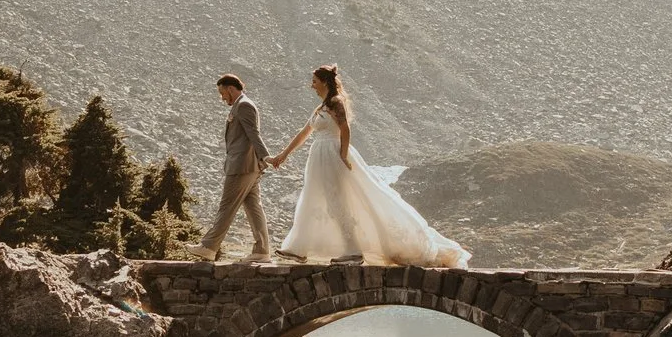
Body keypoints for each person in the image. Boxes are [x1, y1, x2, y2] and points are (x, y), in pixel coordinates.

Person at [270, 65, 469, 267]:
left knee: (338, 201)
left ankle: (353, 250)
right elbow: (304, 133)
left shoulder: (336, 103)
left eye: (314, 81)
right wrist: (283, 155)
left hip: (332, 154)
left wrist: (343, 155)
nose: (311, 85)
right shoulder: (320, 107)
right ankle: (298, 248)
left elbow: (345, 129)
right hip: (318, 157)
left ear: (324, 82)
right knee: (314, 197)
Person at [196, 73, 272, 261]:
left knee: (227, 206)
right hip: (249, 167)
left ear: (231, 88)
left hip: (242, 166)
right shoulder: (241, 105)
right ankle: (262, 251)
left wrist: (266, 156)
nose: (222, 98)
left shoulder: (244, 105)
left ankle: (208, 247)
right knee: (254, 208)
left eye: (223, 93)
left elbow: (253, 133)